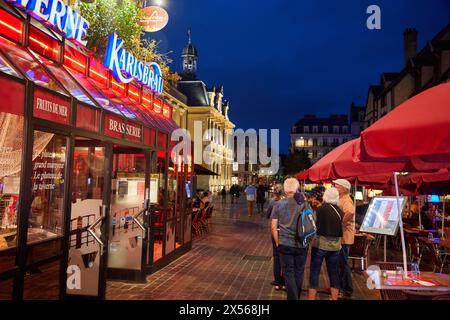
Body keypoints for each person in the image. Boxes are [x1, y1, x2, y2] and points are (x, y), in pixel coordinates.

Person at [271, 178, 309, 300]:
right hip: (301, 243)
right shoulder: (304, 204)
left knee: (288, 272)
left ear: (285, 189)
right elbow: (311, 223)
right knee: (299, 271)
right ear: (296, 188)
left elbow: (273, 227)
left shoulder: (278, 205)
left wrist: (277, 242)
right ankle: (295, 296)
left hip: (285, 243)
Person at [308, 187, 343, 300]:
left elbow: (313, 225)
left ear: (325, 196)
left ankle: (311, 298)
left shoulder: (319, 209)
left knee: (314, 272)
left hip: (320, 244)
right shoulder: (340, 211)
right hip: (336, 246)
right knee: (334, 273)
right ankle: (334, 298)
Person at [332, 179, 355, 300]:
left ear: (344, 188)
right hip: (342, 236)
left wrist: (340, 223)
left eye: (337, 185)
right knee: (340, 263)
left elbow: (350, 212)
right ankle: (341, 287)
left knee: (343, 264)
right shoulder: (342, 198)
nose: (335, 186)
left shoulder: (346, 200)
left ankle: (347, 289)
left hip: (345, 237)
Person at [266, 184, 285, 290]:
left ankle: (278, 282)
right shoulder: (288, 201)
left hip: (276, 231)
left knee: (277, 256)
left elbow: (268, 214)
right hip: (287, 231)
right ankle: (286, 280)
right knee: (286, 256)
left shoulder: (273, 202)